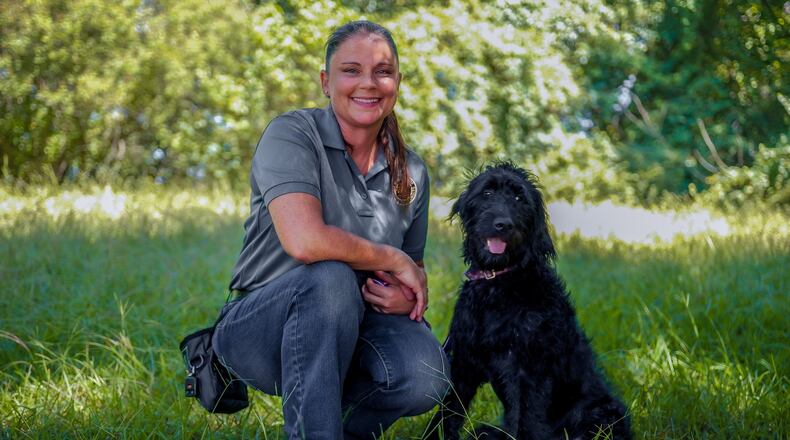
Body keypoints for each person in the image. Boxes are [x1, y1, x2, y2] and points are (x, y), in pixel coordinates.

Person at [212, 20, 450, 439]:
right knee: (330, 277)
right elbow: (307, 242)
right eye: (351, 70)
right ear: (326, 82)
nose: (369, 83)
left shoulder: (411, 170)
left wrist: (403, 295)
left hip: (359, 325)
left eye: (383, 71)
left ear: (397, 82)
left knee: (424, 373)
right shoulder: (291, 135)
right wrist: (391, 258)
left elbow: (413, 269)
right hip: (262, 329)